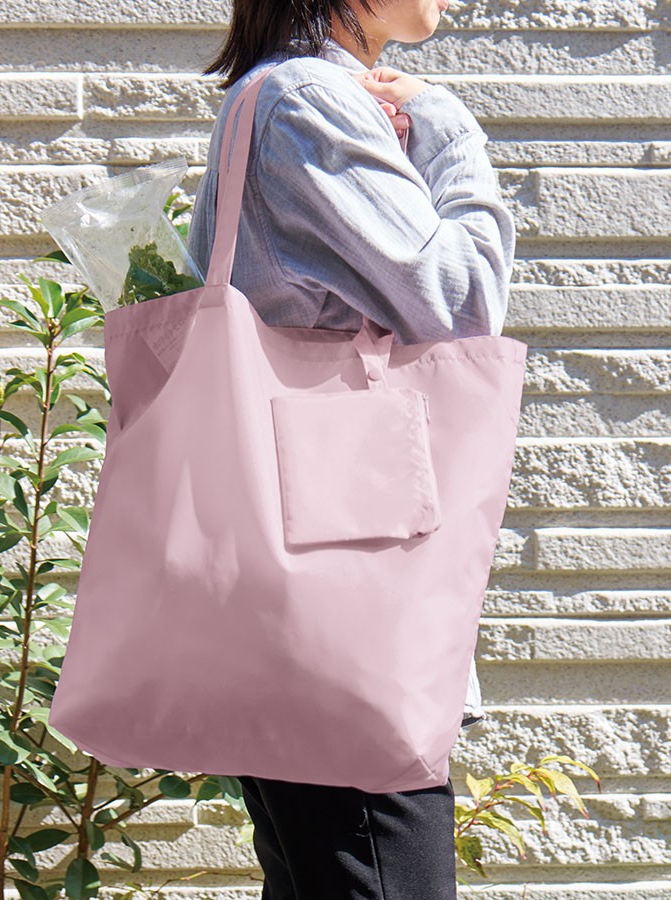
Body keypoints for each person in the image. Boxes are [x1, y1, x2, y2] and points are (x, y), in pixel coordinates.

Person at [187, 1, 516, 896]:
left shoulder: (269, 96)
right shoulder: (308, 100)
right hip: (344, 606)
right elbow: (462, 301)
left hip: (296, 589)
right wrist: (450, 132)